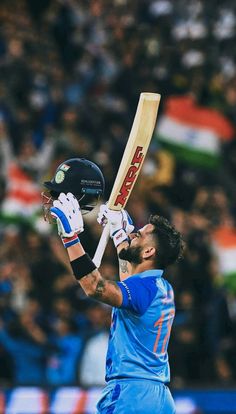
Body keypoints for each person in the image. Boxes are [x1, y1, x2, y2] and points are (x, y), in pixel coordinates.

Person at [49, 192, 184, 413]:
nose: (133, 235)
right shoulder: (159, 286)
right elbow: (130, 276)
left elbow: (95, 287)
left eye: (138, 235)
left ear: (149, 251)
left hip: (132, 395)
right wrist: (118, 233)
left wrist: (70, 238)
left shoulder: (144, 289)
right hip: (157, 396)